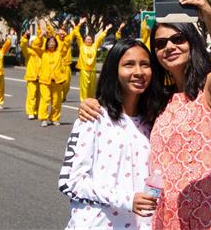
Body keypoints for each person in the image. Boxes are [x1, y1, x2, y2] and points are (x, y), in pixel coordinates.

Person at [79, 0, 211, 229]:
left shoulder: (210, 89)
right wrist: (94, 104)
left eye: (177, 39)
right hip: (168, 219)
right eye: (160, 44)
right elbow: (124, 106)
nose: (169, 47)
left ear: (192, 42)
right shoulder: (159, 102)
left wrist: (210, 18)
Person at [59, 38, 163, 230]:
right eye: (129, 65)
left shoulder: (153, 122)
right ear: (113, 70)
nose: (138, 72)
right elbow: (70, 182)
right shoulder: (94, 116)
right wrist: (127, 200)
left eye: (145, 65)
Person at [32, 27, 70, 127]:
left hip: (57, 80)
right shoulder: (42, 53)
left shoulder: (59, 53)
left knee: (57, 101)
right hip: (45, 80)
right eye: (49, 42)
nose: (51, 43)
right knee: (45, 99)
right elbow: (34, 45)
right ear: (46, 43)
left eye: (53, 42)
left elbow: (66, 44)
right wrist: (40, 36)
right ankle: (43, 118)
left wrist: (64, 35)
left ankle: (55, 118)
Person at [73, 18, 112, 102]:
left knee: (92, 87)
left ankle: (91, 101)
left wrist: (106, 29)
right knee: (84, 87)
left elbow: (100, 38)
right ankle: (83, 101)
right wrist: (79, 24)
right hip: (84, 70)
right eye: (87, 39)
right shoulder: (82, 46)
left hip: (92, 70)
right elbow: (77, 34)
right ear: (84, 40)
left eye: (90, 39)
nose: (89, 40)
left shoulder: (94, 46)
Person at [20, 31, 42, 120]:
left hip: (41, 77)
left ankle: (37, 111)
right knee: (31, 95)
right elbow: (23, 45)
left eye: (40, 43)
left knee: (40, 96)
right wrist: (25, 36)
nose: (39, 44)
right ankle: (31, 112)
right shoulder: (28, 52)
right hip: (32, 77)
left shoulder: (42, 52)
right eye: (36, 42)